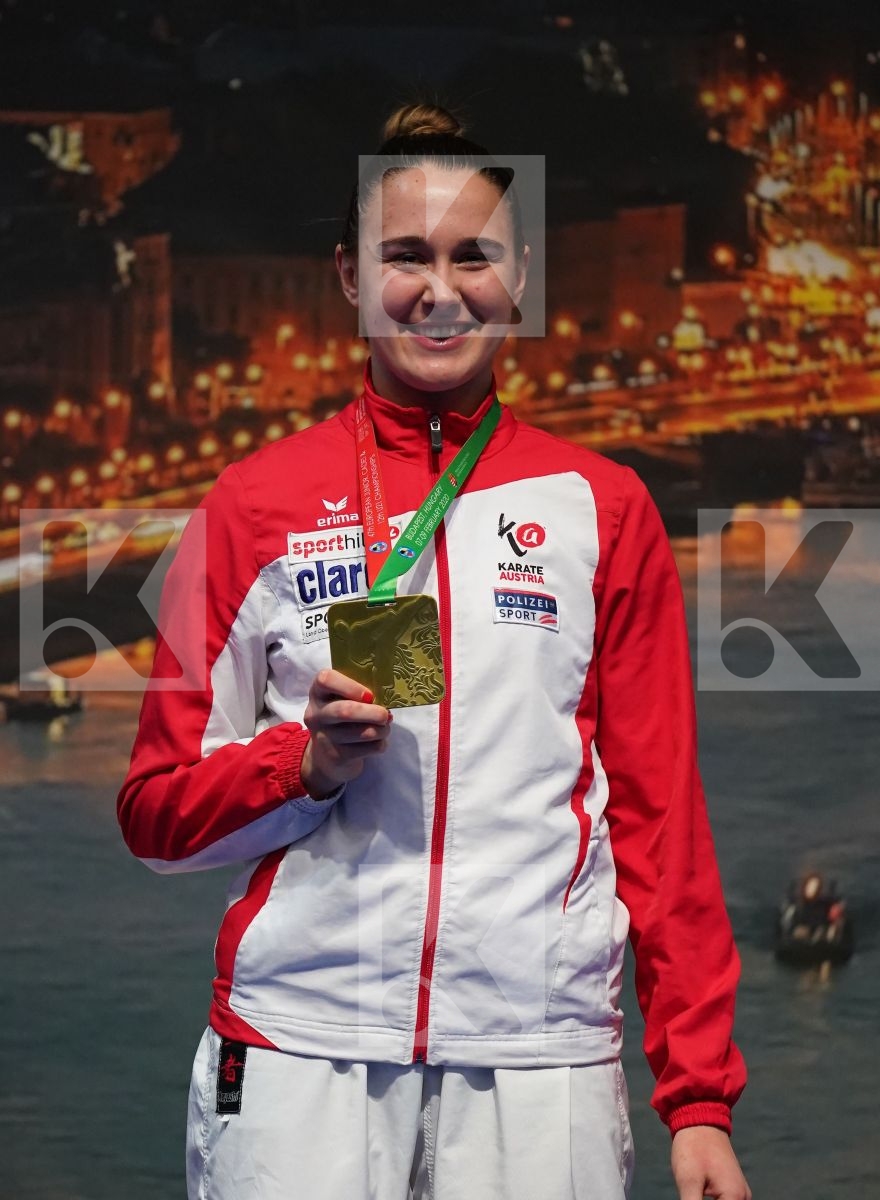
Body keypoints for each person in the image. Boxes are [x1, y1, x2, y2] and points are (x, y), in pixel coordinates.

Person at [116, 101, 751, 1200]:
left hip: (540, 1061)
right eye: (406, 255)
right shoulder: (248, 506)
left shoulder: (605, 509)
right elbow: (154, 817)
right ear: (352, 276)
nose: (441, 289)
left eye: (477, 257)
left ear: (521, 277)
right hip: (299, 1049)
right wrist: (299, 768)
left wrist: (695, 1098)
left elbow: (660, 826)